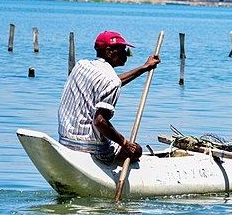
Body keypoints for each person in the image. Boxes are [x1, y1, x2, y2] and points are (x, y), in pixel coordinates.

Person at [58, 30, 160, 164]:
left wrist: (144, 68)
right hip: (90, 146)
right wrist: (124, 143)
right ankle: (109, 162)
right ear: (109, 51)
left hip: (65, 139)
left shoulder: (81, 65)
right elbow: (100, 122)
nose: (127, 55)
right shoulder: (111, 81)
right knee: (137, 150)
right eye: (124, 50)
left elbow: (112, 82)